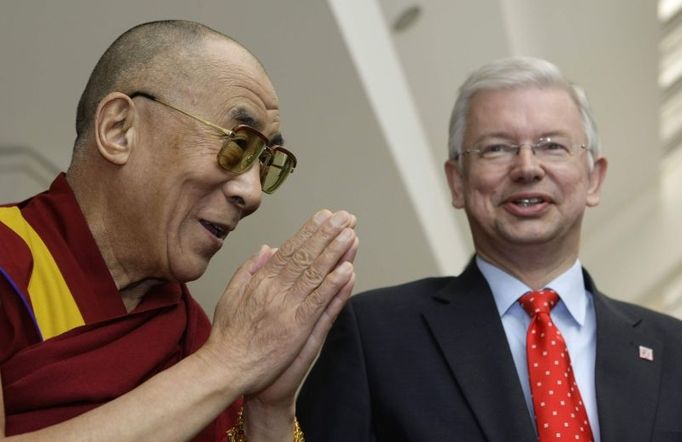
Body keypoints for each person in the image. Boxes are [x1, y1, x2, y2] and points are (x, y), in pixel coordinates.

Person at [0, 20, 359, 441]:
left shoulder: (188, 334)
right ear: (118, 130)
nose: (253, 192)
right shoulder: (11, 258)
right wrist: (227, 364)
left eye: (265, 162)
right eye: (237, 143)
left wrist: (269, 407)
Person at [297, 56, 682, 441]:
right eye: (497, 148)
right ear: (457, 183)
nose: (527, 167)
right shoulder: (375, 334)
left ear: (594, 179)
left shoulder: (674, 350)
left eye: (552, 146)